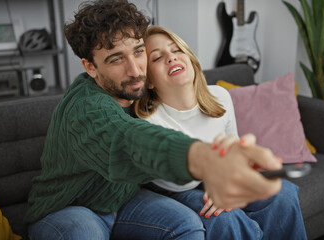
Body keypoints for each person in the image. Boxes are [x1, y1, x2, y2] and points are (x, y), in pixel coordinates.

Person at [25, 0, 284, 239]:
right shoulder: (86, 108)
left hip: (124, 201)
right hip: (69, 208)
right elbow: (127, 141)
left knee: (187, 225)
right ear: (90, 67)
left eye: (139, 52)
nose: (135, 70)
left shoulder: (142, 92)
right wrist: (203, 158)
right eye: (116, 59)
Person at [133, 25, 307, 240]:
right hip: (177, 189)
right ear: (149, 81)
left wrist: (228, 178)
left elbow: (235, 150)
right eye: (157, 58)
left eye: (176, 50)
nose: (171, 58)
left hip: (219, 174)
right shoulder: (149, 120)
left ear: (189, 59)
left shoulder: (220, 96)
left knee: (284, 193)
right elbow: (179, 182)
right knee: (223, 215)